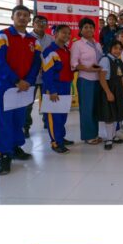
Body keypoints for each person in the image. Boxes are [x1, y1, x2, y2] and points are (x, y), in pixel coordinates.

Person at [0, 5, 42, 175]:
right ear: (12, 17)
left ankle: (15, 147)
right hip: (7, 86)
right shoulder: (2, 36)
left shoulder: (33, 41)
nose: (22, 17)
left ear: (29, 19)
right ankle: (4, 155)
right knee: (5, 121)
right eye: (18, 14)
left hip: (25, 86)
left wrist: (28, 81)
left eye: (25, 15)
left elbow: (36, 63)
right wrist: (16, 80)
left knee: (19, 119)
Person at [41, 25, 75, 154]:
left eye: (68, 33)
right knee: (54, 116)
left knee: (62, 115)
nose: (66, 35)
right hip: (54, 88)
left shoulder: (66, 50)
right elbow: (47, 73)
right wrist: (52, 90)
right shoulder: (50, 51)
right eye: (63, 33)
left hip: (65, 86)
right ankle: (55, 142)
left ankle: (61, 137)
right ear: (55, 34)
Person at [70, 17, 103, 145]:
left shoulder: (97, 44)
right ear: (81, 30)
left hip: (98, 80)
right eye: (86, 27)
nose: (89, 29)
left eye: (91, 27)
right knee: (86, 109)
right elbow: (74, 63)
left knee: (95, 108)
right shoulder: (77, 44)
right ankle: (88, 136)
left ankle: (95, 133)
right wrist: (88, 69)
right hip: (85, 80)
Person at [24, 15, 54, 138]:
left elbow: (53, 56)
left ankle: (47, 122)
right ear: (33, 24)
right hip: (30, 77)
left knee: (48, 101)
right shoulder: (27, 38)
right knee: (28, 103)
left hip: (47, 76)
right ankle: (25, 127)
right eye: (38, 22)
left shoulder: (51, 39)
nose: (41, 24)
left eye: (43, 22)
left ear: (47, 25)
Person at [97, 40, 123, 150]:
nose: (118, 51)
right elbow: (102, 78)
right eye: (115, 48)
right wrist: (108, 92)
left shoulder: (118, 61)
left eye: (120, 49)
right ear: (110, 49)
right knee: (109, 115)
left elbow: (122, 78)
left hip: (119, 89)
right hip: (109, 89)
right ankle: (108, 139)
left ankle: (113, 136)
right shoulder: (105, 60)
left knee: (116, 113)